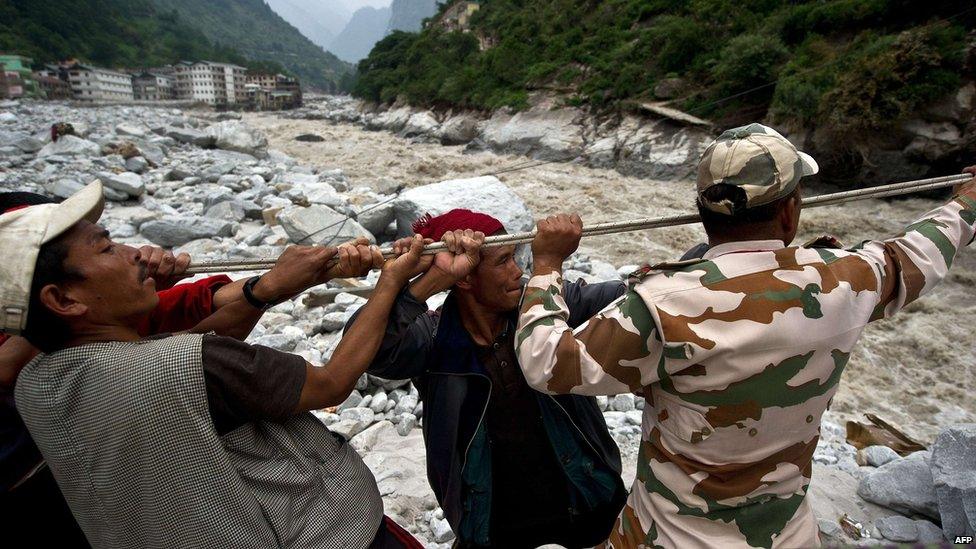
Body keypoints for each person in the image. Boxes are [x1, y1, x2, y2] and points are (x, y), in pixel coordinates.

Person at [514, 123, 976, 548]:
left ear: (704, 213)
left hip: (669, 536)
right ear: (791, 212)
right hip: (786, 535)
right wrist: (966, 204)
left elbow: (545, 362)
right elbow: (917, 253)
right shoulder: (846, 281)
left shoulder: (663, 303)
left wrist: (548, 267)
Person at [2, 181, 433, 548]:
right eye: (107, 248)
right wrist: (392, 284)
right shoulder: (192, 364)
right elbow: (333, 382)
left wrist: (267, 289)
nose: (136, 253)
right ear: (62, 300)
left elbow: (175, 362)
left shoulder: (35, 385)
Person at [346, 209, 628, 548]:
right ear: (463, 278)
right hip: (494, 529)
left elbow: (634, 299)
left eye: (516, 257)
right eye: (503, 261)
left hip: (589, 505)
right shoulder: (435, 341)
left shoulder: (546, 310)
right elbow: (362, 353)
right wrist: (424, 281)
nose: (519, 271)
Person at [0, 191, 263, 548]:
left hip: (89, 473)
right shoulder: (49, 322)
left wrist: (131, 283)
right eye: (102, 248)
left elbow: (193, 304)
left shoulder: (81, 316)